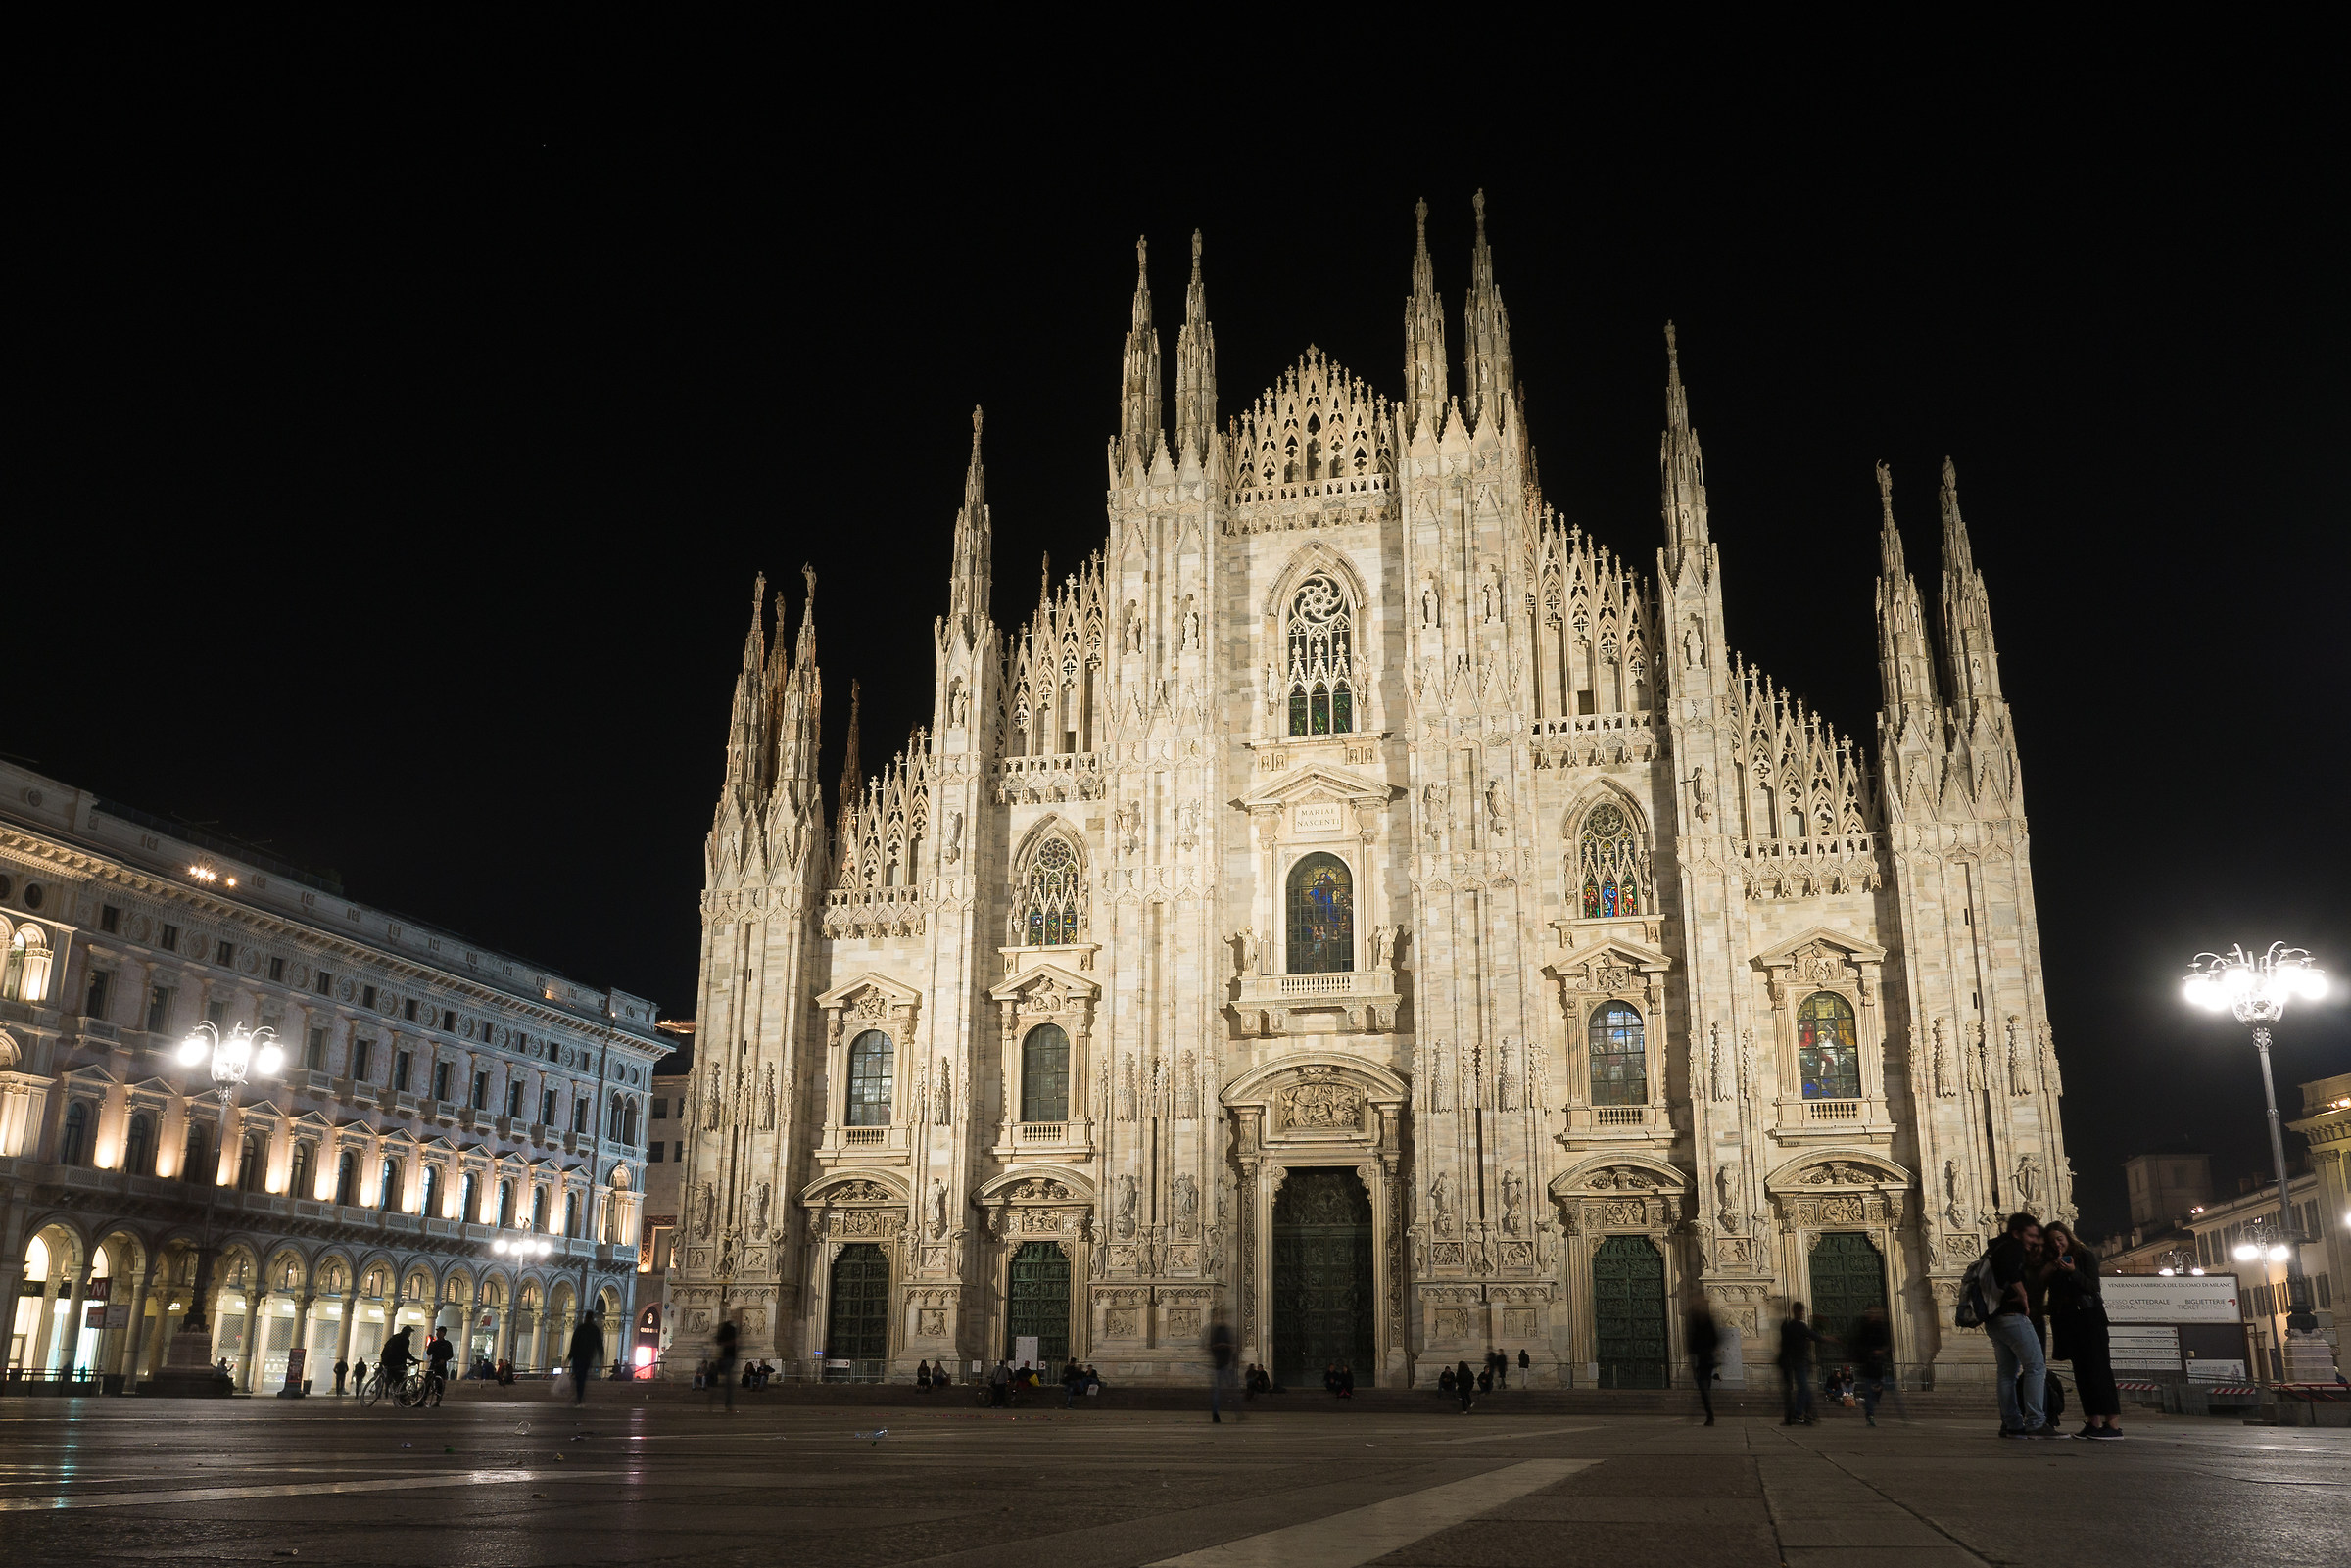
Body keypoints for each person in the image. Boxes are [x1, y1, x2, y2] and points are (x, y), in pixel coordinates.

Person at [2041, 1221, 2123, 1440]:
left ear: (2068, 1236)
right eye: (2052, 1241)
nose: (2057, 1244)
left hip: (2089, 1319)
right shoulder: (2054, 1263)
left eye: (2060, 1238)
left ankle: (2113, 1425)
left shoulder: (2084, 1255)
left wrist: (2073, 1272)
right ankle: (2093, 1422)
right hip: (2070, 1322)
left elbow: (2093, 1287)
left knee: (2099, 1371)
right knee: (2083, 1373)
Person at [1985, 1212, 2056, 1438]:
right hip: (2012, 1317)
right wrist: (2023, 1295)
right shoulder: (2012, 1246)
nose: (2034, 1241)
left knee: (2007, 1373)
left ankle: (2012, 1423)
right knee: (2036, 1366)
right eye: (2031, 1235)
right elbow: (2010, 1271)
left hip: (1993, 1319)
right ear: (2017, 1233)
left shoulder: (1993, 1247)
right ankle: (2036, 1421)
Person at [1849, 1306, 1906, 1425]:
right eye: (1872, 1312)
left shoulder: (1881, 1327)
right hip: (1868, 1364)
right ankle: (1870, 1414)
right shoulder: (1864, 1328)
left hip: (1880, 1365)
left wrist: (1882, 1351)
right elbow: (1858, 1344)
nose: (1873, 1314)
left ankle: (1903, 1415)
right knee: (1870, 1391)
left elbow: (1888, 1343)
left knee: (1881, 1390)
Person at [1777, 1302, 1826, 1425]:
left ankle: (1808, 1414)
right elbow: (1814, 1336)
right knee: (1803, 1387)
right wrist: (1828, 1338)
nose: (1803, 1313)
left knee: (1803, 1388)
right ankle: (1799, 1414)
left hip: (1791, 1361)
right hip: (1797, 1361)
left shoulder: (1788, 1325)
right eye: (1802, 1311)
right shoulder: (1798, 1325)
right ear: (1797, 1311)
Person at [1688, 1304, 1720, 1425]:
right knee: (1705, 1386)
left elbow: (1692, 1344)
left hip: (1702, 1360)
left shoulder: (1697, 1323)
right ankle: (1709, 1413)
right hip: (1707, 1360)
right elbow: (1716, 1340)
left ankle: (1709, 1413)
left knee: (1704, 1387)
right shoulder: (1707, 1323)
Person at [1206, 1315, 1240, 1422]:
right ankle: (1221, 1413)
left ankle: (1233, 1412)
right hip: (1221, 1365)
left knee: (1226, 1390)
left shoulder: (1223, 1331)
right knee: (1227, 1390)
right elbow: (1212, 1346)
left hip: (1223, 1364)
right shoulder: (1217, 1332)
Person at [566, 1310, 603, 1405]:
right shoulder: (594, 1330)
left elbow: (574, 1343)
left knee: (578, 1376)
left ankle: (578, 1395)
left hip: (577, 1356)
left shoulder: (580, 1328)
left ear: (585, 1318)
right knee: (582, 1376)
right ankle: (579, 1396)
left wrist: (569, 1357)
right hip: (587, 1357)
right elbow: (599, 1345)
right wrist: (601, 1357)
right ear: (592, 1318)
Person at [709, 1315, 739, 1412]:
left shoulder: (725, 1329)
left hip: (725, 1359)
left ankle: (713, 1398)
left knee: (723, 1381)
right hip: (727, 1359)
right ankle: (727, 1404)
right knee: (728, 1383)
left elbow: (717, 1341)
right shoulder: (731, 1329)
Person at [423, 1327, 455, 1406]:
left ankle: (437, 1401)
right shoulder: (434, 1343)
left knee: (439, 1384)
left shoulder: (447, 1344)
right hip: (433, 1364)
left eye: (440, 1332)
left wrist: (444, 1359)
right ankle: (423, 1399)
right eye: (437, 1332)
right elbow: (429, 1353)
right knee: (427, 1382)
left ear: (444, 1334)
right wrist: (430, 1342)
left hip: (441, 1366)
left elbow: (450, 1355)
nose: (438, 1334)